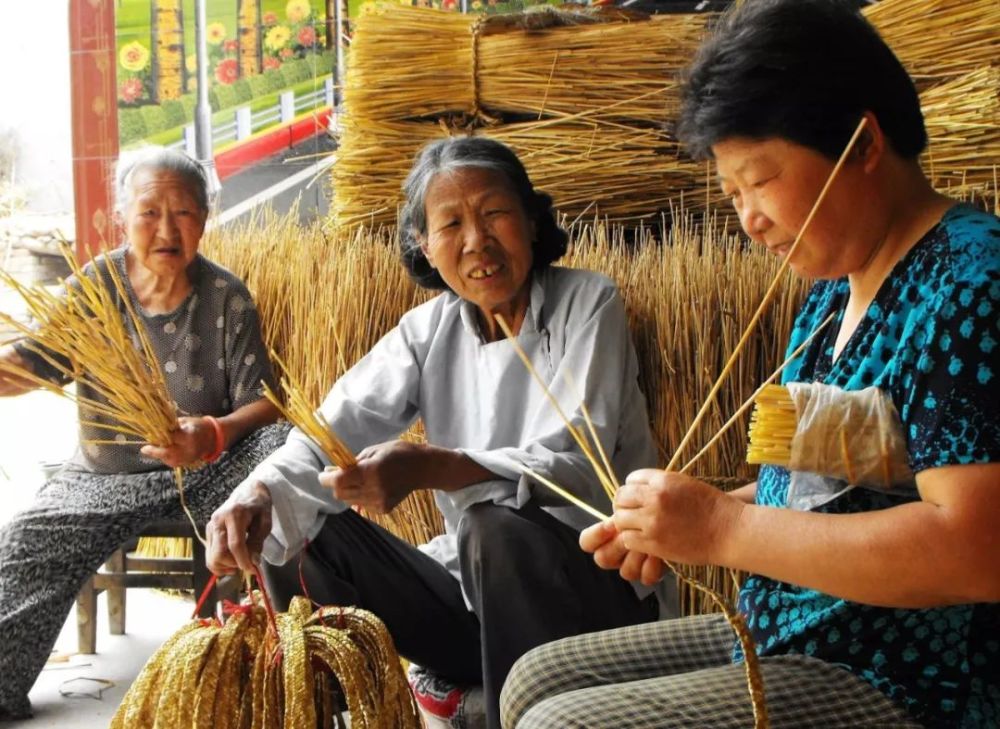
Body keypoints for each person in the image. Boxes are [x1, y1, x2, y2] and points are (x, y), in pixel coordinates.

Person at [500, 1, 1000, 727]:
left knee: (563, 722)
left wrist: (722, 532)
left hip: (910, 681)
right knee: (532, 679)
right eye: (732, 193)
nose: (749, 219)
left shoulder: (970, 283)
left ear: (862, 144)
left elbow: (975, 548)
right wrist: (685, 518)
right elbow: (831, 495)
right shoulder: (834, 292)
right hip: (803, 637)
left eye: (760, 181)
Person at [206, 136, 675, 729]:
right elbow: (331, 430)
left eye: (495, 213)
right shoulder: (427, 332)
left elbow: (580, 462)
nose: (477, 241)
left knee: (495, 528)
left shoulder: (588, 302)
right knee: (295, 526)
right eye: (451, 224)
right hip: (476, 613)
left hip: (598, 598)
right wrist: (257, 495)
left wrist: (433, 466)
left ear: (531, 220)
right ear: (425, 246)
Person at [0, 148, 287, 720]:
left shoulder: (227, 296)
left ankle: (287, 656)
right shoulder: (97, 286)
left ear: (204, 220)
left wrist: (211, 434)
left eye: (183, 213)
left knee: (283, 459)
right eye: (149, 212)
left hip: (208, 472)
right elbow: (40, 360)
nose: (166, 228)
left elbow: (265, 403)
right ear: (122, 218)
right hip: (103, 477)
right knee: (20, 552)